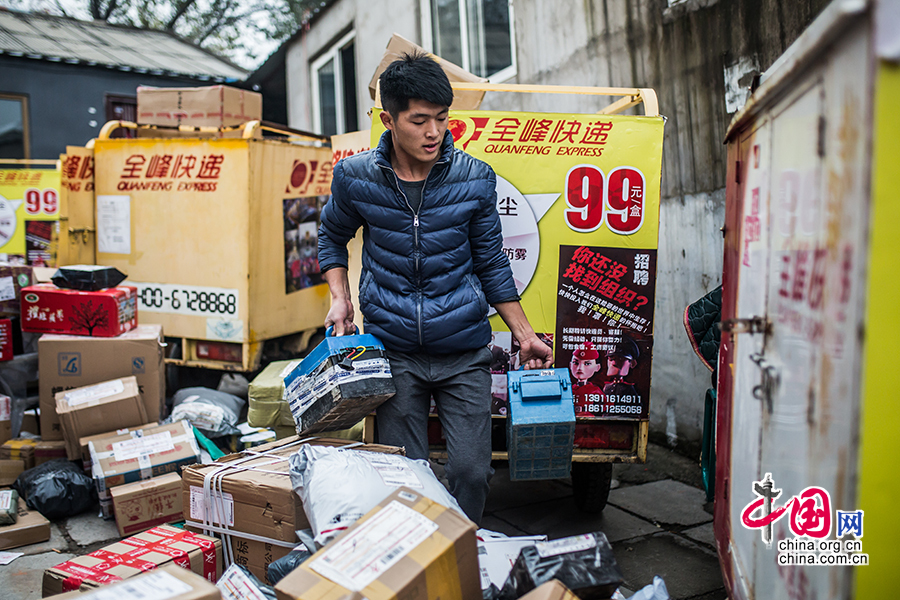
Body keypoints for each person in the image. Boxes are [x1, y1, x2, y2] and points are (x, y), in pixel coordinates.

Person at [317, 52, 552, 524]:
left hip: (463, 349)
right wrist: (339, 298)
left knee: (472, 472)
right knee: (404, 474)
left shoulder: (475, 178)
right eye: (419, 120)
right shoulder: (355, 176)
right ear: (389, 119)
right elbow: (331, 235)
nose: (434, 132)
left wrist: (525, 334)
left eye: (442, 119)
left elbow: (491, 261)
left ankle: (462, 553)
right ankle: (420, 566)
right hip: (394, 350)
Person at [568, 341, 604, 417]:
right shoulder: (569, 388)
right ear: (570, 365)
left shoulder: (595, 390)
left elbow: (605, 407)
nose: (580, 368)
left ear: (597, 367)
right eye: (575, 363)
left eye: (587, 364)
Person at [602, 336, 640, 405]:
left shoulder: (629, 389)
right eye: (611, 359)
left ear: (632, 363)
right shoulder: (607, 387)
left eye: (620, 359)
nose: (614, 363)